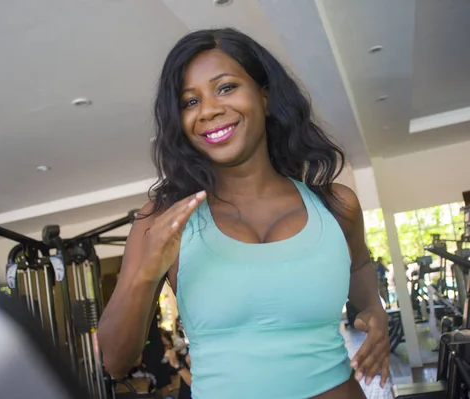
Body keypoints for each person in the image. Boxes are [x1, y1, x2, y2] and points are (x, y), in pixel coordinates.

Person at [98, 27, 389, 399]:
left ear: (265, 96)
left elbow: (360, 265)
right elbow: (115, 362)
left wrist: (374, 308)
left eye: (226, 87)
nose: (209, 110)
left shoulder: (336, 206)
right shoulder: (162, 220)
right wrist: (146, 275)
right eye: (190, 101)